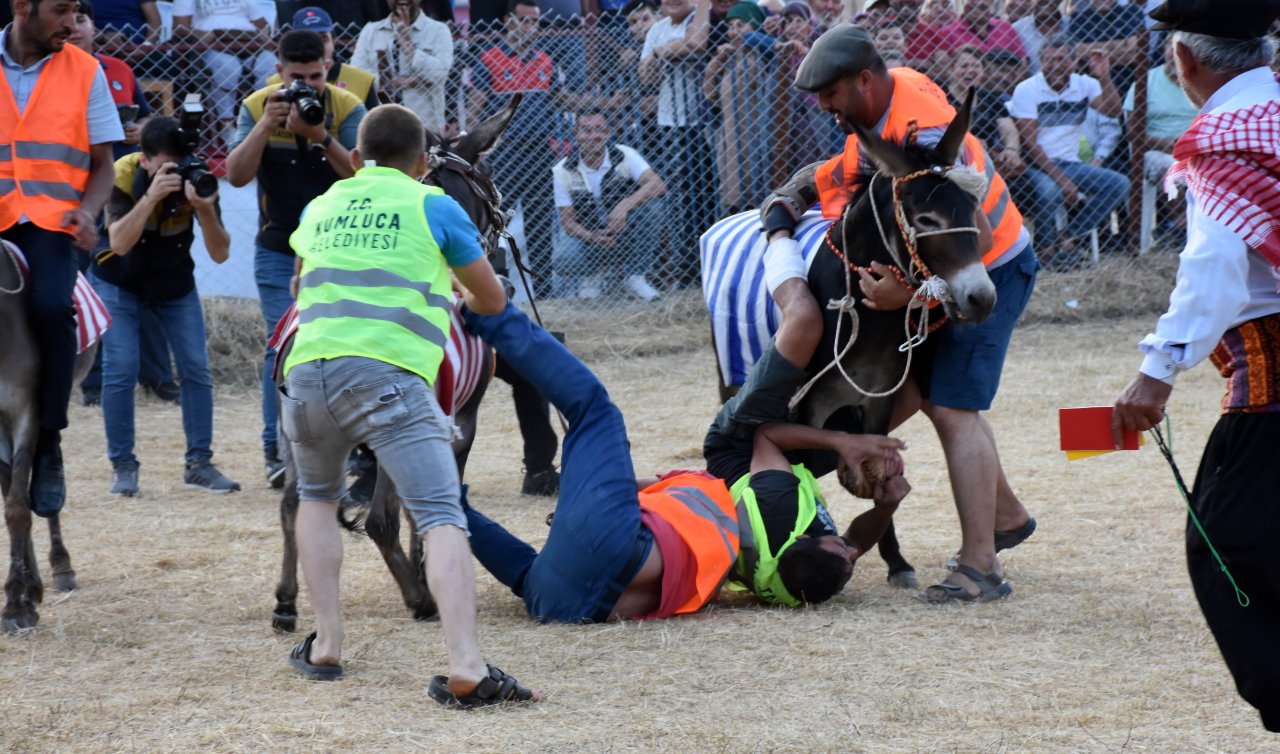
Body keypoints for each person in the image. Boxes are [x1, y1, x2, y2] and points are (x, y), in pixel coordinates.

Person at [761, 24, 1038, 602]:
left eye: (831, 95)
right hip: (942, 269)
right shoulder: (882, 108)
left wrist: (909, 298)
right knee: (937, 394)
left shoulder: (925, 131)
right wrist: (794, 198)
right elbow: (847, 176)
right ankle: (1007, 516)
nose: (825, 108)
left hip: (988, 268)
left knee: (953, 407)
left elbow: (976, 239)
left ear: (863, 80)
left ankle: (980, 566)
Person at [281, 103, 537, 707]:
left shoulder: (322, 205)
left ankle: (326, 646)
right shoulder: (433, 203)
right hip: (386, 376)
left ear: (361, 155)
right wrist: (448, 287)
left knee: (316, 500)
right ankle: (467, 666)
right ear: (423, 161)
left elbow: (299, 285)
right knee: (441, 514)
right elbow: (492, 297)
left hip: (306, 373)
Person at [1112, 0, 1280, 733]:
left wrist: (1158, 368)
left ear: (1183, 62)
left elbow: (1213, 265)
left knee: (1229, 547)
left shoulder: (1225, 139)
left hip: (1272, 396)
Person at [226, 29, 367, 488]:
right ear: (278, 72)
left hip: (341, 248)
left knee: (348, 343)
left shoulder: (347, 107)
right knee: (281, 347)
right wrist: (268, 125)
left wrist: (321, 136)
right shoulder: (257, 105)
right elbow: (236, 175)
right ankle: (278, 452)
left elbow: (364, 178)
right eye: (297, 77)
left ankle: (350, 449)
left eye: (316, 76)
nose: (308, 85)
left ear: (328, 67)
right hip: (278, 249)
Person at [0, 0, 124, 517]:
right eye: (61, 11)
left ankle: (48, 440)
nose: (72, 25)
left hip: (51, 223)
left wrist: (91, 211)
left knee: (53, 308)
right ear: (22, 7)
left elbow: (103, 166)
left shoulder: (86, 69)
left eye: (76, 12)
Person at [94, 117, 240, 496]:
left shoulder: (198, 176)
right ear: (144, 160)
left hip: (174, 284)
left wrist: (204, 208)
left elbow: (221, 253)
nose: (176, 173)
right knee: (121, 369)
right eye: (165, 167)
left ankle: (199, 465)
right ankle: (123, 467)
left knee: (195, 367)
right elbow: (119, 242)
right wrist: (152, 196)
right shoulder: (123, 173)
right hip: (120, 280)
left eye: (180, 163)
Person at [68, 0, 179, 408]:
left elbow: (153, 123)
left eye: (83, 19)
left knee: (140, 285)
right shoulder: (52, 72)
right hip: (77, 198)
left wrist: (138, 131)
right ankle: (91, 385)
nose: (76, 26)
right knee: (84, 294)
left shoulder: (119, 70)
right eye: (70, 18)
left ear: (94, 26)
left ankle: (158, 380)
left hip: (124, 199)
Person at [467, 0, 570, 298]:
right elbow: (476, 106)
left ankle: (545, 292)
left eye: (535, 21)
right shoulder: (489, 58)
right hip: (504, 151)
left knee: (540, 221)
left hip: (539, 149)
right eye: (524, 21)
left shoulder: (545, 59)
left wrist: (605, 104)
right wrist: (474, 145)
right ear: (508, 21)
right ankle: (497, 287)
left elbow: (561, 99)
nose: (531, 28)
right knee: (497, 220)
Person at [1009, 37, 1128, 267]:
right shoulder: (1027, 89)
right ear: (1041, 62)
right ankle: (1045, 251)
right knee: (1050, 191)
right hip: (1036, 164)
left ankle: (1067, 238)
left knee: (1119, 184)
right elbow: (1031, 144)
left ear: (1074, 62)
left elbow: (1113, 112)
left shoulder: (1086, 84)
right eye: (1050, 60)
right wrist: (1062, 180)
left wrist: (1104, 77)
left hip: (1071, 164)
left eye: (1062, 59)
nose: (1056, 65)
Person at [552, 109, 667, 301]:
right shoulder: (562, 170)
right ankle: (594, 276)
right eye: (586, 130)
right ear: (576, 134)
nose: (593, 136)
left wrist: (625, 206)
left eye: (599, 129)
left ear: (608, 133)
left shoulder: (625, 155)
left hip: (626, 229)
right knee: (563, 259)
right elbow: (567, 221)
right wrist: (591, 236)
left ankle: (635, 277)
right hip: (591, 235)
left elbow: (658, 184)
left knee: (653, 207)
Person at [639, 0, 715, 287]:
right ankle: (685, 267)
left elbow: (696, 44)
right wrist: (664, 51)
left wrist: (664, 53)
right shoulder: (657, 29)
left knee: (705, 196)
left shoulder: (701, 18)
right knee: (680, 198)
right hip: (670, 124)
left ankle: (704, 264)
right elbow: (645, 76)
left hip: (704, 123)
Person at [702, 2, 776, 217]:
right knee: (734, 193)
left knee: (758, 188)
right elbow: (710, 94)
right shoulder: (730, 58)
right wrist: (718, 60)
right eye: (731, 26)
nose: (734, 31)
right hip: (732, 137)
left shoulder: (760, 56)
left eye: (741, 25)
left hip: (756, 134)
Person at [172, 0, 278, 140]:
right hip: (213, 44)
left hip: (248, 41)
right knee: (228, 67)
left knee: (271, 64)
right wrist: (199, 34)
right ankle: (227, 125)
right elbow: (179, 26)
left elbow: (262, 24)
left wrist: (264, 34)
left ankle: (264, 119)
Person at [350, 0, 453, 131]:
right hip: (381, 126)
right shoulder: (371, 31)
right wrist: (397, 82)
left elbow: (440, 73)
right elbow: (357, 74)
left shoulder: (438, 30)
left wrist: (408, 46)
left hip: (425, 129)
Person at [270, 7, 380, 112]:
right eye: (308, 40)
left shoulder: (362, 80)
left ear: (334, 40)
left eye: (323, 39)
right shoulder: (274, 83)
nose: (316, 46)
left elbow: (373, 126)